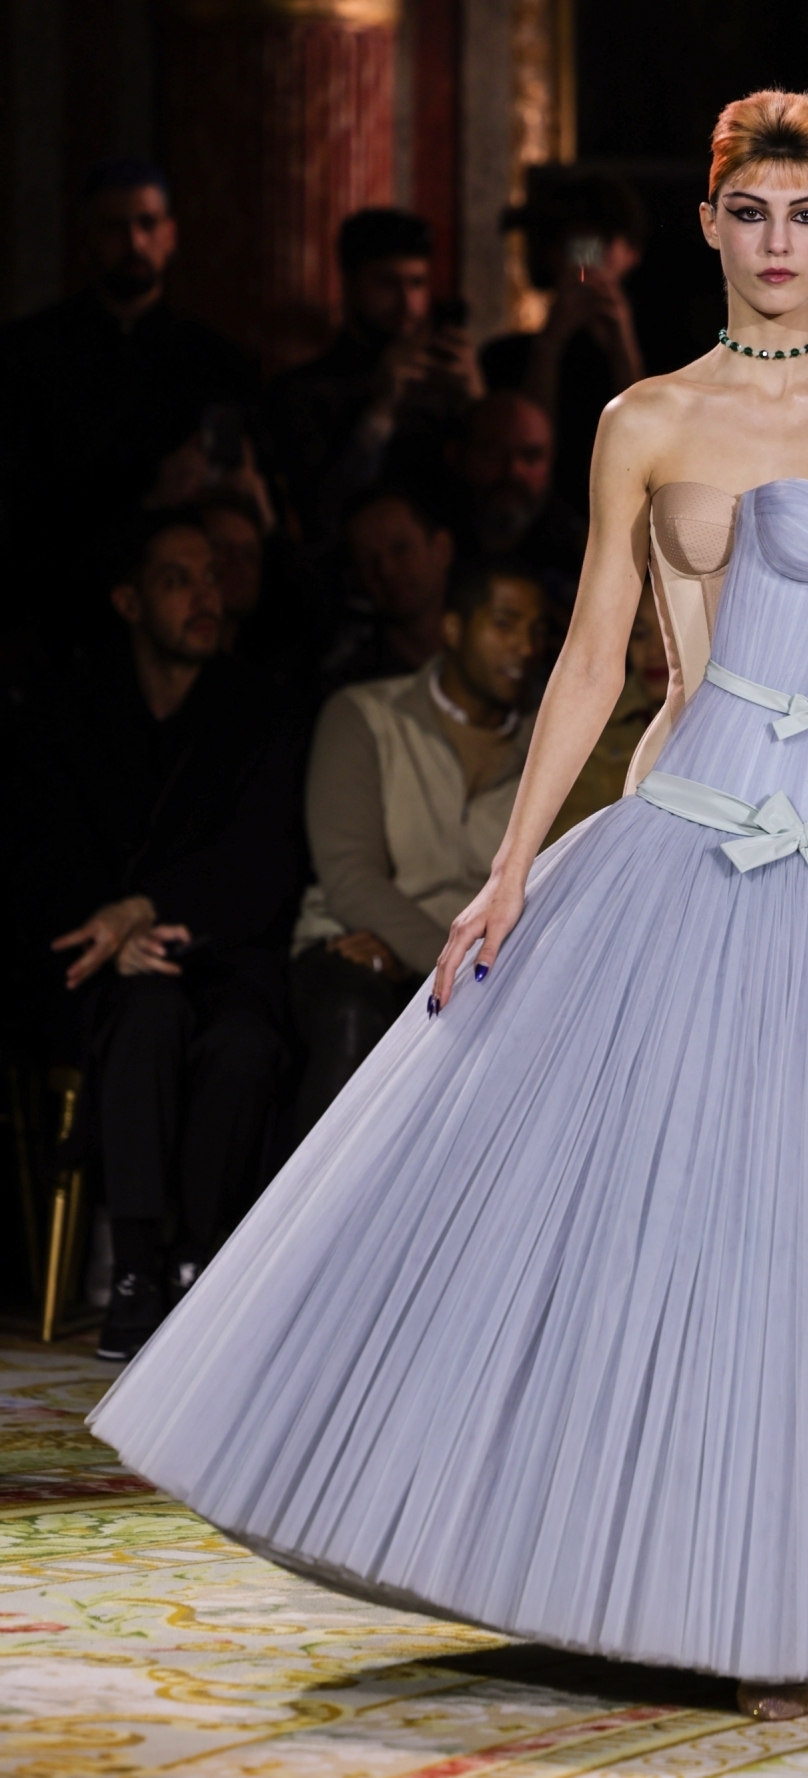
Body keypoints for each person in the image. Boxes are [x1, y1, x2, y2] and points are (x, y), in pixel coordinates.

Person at [92, 89, 808, 1714]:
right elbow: (584, 659)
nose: (778, 243)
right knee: (701, 1220)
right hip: (694, 836)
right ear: (708, 225)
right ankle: (687, 1589)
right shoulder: (645, 417)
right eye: (750, 214)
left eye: (805, 216)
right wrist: (509, 867)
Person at [13, 513, 305, 1359]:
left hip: (223, 950)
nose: (204, 597)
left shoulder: (261, 708)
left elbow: (265, 859)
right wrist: (113, 928)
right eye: (178, 580)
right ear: (129, 600)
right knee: (144, 1014)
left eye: (211, 577)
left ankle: (197, 1260)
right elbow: (41, 855)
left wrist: (148, 910)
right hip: (98, 962)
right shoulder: (71, 710)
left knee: (243, 1044)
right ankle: (135, 1268)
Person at [289, 562, 547, 1138]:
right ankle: (324, 1194)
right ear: (452, 628)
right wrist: (447, 958)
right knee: (353, 1009)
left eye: (537, 631)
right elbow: (352, 880)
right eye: (505, 623)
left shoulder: (544, 744)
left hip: (480, 964)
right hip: (360, 944)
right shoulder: (368, 715)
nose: (526, 647)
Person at [0, 158, 256, 653]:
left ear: (170, 235)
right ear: (87, 238)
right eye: (115, 228)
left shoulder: (217, 362)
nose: (134, 243)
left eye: (147, 224)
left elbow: (228, 478)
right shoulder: (26, 354)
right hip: (59, 601)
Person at [266, 209, 481, 543]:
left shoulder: (447, 382)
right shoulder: (302, 391)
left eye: (417, 283)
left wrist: (478, 407)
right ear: (351, 284)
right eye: (387, 284)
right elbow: (324, 513)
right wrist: (380, 409)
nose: (407, 303)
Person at [483, 167, 647, 514]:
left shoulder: (668, 355)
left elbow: (652, 452)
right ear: (552, 255)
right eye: (575, 247)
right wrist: (551, 342)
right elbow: (522, 448)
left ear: (631, 253)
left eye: (600, 246)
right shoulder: (506, 357)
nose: (586, 263)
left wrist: (621, 346)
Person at [542, 583, 666, 845]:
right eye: (640, 634)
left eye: (670, 633)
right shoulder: (593, 725)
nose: (654, 651)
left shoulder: (725, 724)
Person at [448, 391, 587, 609]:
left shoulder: (580, 553)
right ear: (460, 455)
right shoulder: (427, 538)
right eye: (495, 453)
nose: (513, 471)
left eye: (531, 456)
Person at [320, 487, 455, 690]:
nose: (386, 570)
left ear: (441, 549)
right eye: (368, 560)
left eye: (400, 549)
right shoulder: (357, 687)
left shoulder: (493, 651)